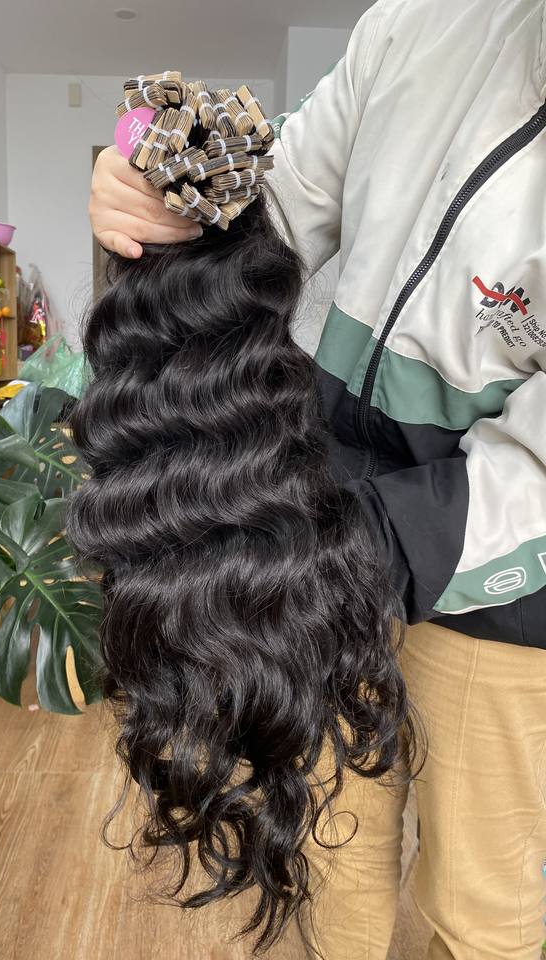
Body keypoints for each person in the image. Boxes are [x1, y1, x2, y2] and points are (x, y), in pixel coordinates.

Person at [87, 1, 546, 957]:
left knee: (480, 905)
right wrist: (172, 202)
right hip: (321, 509)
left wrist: (354, 549)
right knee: (331, 854)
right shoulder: (423, 21)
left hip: (506, 575)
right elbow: (278, 207)